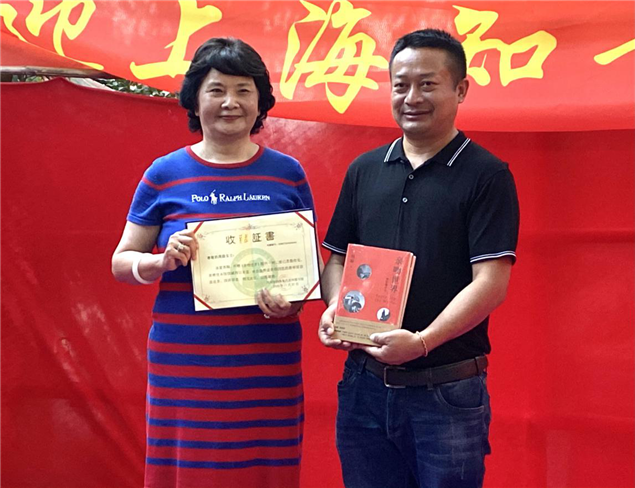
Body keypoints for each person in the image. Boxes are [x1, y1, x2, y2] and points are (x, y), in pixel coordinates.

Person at [319, 29, 520, 488]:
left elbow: (491, 282)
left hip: (446, 393)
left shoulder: (487, 175)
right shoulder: (364, 170)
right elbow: (337, 261)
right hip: (363, 387)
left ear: (460, 89)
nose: (411, 98)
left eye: (427, 84)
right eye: (400, 85)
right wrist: (335, 309)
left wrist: (423, 341)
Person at [112, 38, 314, 488]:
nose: (230, 103)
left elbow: (303, 269)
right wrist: (160, 262)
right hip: (186, 361)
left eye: (244, 90)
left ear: (260, 101)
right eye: (216, 90)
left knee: (265, 468)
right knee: (190, 469)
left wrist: (293, 302)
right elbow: (121, 262)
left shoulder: (289, 173)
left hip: (267, 361)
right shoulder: (163, 174)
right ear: (194, 99)